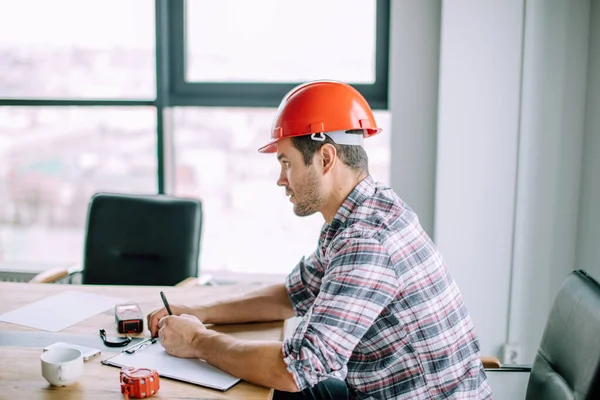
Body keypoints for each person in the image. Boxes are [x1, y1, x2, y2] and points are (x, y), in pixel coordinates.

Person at [147, 80, 492, 399]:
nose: (281, 179)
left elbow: (296, 369)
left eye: (287, 163)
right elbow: (290, 295)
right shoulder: (360, 214)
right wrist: (196, 312)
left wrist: (198, 341)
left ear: (326, 158)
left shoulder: (366, 240)